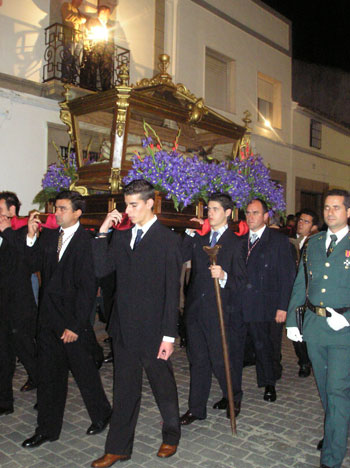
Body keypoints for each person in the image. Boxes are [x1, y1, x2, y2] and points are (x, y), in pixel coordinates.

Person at [5, 190, 112, 448]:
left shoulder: (86, 242)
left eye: (63, 208)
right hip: (48, 320)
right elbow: (31, 264)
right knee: (50, 377)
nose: (57, 213)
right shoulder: (50, 236)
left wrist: (75, 325)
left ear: (77, 212)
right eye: (56, 208)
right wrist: (30, 237)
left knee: (84, 373)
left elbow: (88, 288)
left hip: (72, 323)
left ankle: (102, 414)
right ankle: (47, 429)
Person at [91, 179, 182, 467]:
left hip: (155, 330)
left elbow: (172, 291)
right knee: (124, 388)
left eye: (133, 205)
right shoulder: (120, 236)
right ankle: (118, 447)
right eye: (126, 205)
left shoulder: (169, 240)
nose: (127, 211)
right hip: (124, 327)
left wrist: (169, 335)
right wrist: (102, 232)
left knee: (162, 385)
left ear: (150, 203)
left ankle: (171, 434)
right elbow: (101, 269)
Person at [287, 189, 350, 468]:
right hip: (315, 326)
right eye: (326, 207)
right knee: (325, 388)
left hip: (343, 329)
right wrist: (292, 321)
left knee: (337, 389)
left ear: (348, 212)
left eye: (336, 207)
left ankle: (332, 457)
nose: (330, 212)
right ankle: (338, 427)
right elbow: (302, 283)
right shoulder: (312, 243)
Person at [180, 193, 246, 425]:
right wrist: (191, 233)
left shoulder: (236, 243)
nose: (210, 213)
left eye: (215, 209)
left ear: (228, 213)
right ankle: (196, 408)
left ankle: (233, 397)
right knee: (198, 360)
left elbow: (242, 281)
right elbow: (181, 255)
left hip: (221, 311)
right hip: (197, 310)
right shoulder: (201, 238)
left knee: (221, 359)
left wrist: (224, 276)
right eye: (208, 208)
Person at [241, 199, 295, 402]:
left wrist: (283, 306)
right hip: (244, 302)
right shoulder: (241, 240)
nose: (250, 217)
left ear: (266, 216)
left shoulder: (278, 241)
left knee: (268, 346)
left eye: (255, 213)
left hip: (268, 303)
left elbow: (287, 276)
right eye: (248, 212)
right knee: (247, 344)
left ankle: (269, 383)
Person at [0, 191, 38, 415]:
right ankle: (5, 402)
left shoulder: (24, 231)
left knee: (28, 353)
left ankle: (46, 391)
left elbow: (28, 260)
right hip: (2, 305)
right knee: (3, 356)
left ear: (12, 211)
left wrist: (6, 231)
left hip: (19, 305)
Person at [290, 208, 319, 378]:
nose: (301, 223)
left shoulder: (314, 243)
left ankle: (307, 361)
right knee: (296, 329)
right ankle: (304, 360)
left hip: (309, 294)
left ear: (314, 227)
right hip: (296, 292)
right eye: (300, 220)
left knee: (305, 330)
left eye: (306, 221)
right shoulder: (296, 242)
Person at [80, 5, 114, 91]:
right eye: (107, 13)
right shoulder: (93, 22)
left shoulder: (109, 26)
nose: (108, 16)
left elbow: (111, 38)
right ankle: (91, 85)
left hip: (106, 49)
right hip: (96, 47)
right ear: (102, 13)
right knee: (93, 66)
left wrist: (111, 48)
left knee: (106, 68)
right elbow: (89, 33)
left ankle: (106, 87)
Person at [61, 0, 87, 83]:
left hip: (78, 38)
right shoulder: (66, 5)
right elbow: (67, 16)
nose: (80, 2)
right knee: (68, 56)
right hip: (70, 36)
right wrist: (80, 20)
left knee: (77, 59)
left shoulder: (79, 12)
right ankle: (66, 77)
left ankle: (74, 78)